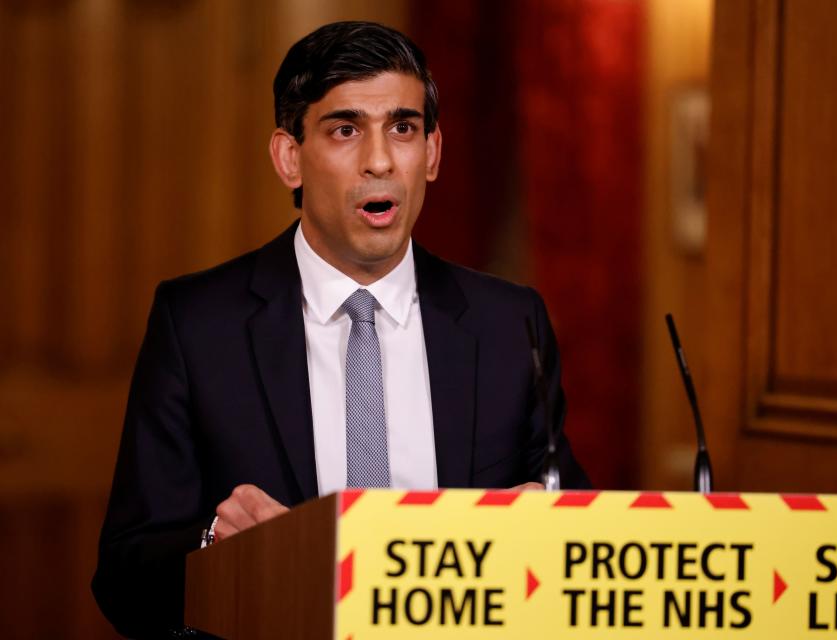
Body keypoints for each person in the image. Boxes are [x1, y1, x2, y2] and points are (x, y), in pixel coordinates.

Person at [92, 21, 588, 638]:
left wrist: (548, 531)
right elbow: (124, 578)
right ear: (289, 157)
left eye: (403, 129)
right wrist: (213, 546)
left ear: (432, 153)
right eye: (346, 129)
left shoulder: (511, 323)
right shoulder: (197, 325)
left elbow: (575, 551)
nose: (379, 160)